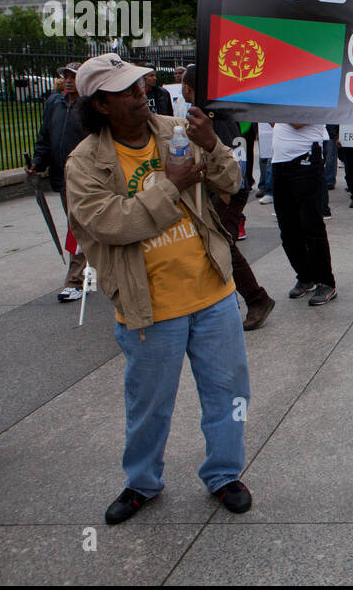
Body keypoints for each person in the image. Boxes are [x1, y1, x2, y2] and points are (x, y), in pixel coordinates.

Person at [64, 53, 253, 524]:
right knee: (149, 405)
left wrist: (214, 146)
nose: (140, 94)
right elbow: (111, 223)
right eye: (126, 91)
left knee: (229, 393)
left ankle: (225, 474)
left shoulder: (176, 130)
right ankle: (142, 482)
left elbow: (231, 182)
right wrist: (168, 186)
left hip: (212, 291)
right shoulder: (84, 163)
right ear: (101, 105)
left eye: (139, 85)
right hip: (148, 305)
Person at [181, 69, 274, 330]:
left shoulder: (212, 113)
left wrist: (225, 195)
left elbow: (235, 152)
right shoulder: (209, 110)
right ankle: (228, 300)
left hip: (228, 190)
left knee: (222, 243)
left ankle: (256, 299)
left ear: (189, 87)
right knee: (218, 242)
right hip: (221, 188)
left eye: (183, 86)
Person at [27, 62, 88, 302]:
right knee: (80, 225)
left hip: (85, 176)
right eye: (66, 76)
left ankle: (75, 280)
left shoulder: (90, 105)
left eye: (74, 76)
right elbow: (45, 136)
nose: (69, 80)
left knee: (77, 226)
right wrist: (37, 162)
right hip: (61, 176)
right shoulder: (55, 103)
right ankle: (89, 269)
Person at [271, 121, 337, 305]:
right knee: (287, 228)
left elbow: (298, 120)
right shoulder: (284, 98)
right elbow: (271, 119)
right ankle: (305, 276)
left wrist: (277, 108)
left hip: (305, 159)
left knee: (311, 226)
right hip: (279, 161)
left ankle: (325, 281)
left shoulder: (307, 94)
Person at [255, 121, 274, 203]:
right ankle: (263, 186)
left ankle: (269, 191)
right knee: (263, 157)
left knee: (270, 159)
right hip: (263, 127)